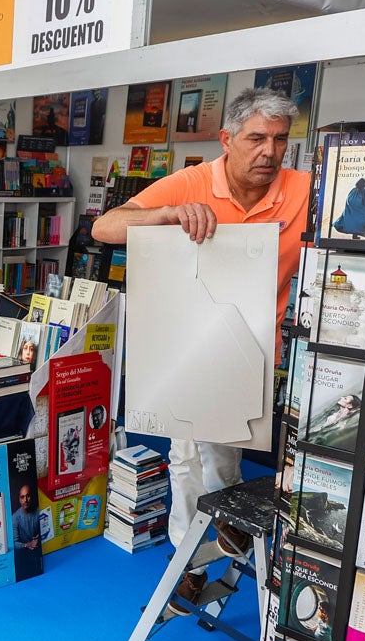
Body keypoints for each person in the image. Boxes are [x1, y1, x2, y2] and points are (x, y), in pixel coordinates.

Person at [92, 87, 309, 606]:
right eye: (256, 138)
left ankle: (212, 538)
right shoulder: (192, 181)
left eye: (279, 140)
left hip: (270, 348)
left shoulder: (304, 188)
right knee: (191, 452)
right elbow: (105, 227)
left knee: (215, 453)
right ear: (227, 139)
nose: (269, 152)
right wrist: (165, 216)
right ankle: (194, 551)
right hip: (194, 344)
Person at [11, 483, 43, 580]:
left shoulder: (39, 511)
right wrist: (27, 544)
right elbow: (14, 543)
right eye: (22, 497)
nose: (25, 500)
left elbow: (47, 531)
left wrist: (39, 538)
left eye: (28, 496)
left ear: (31, 497)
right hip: (23, 557)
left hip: (38, 554)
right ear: (19, 500)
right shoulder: (15, 517)